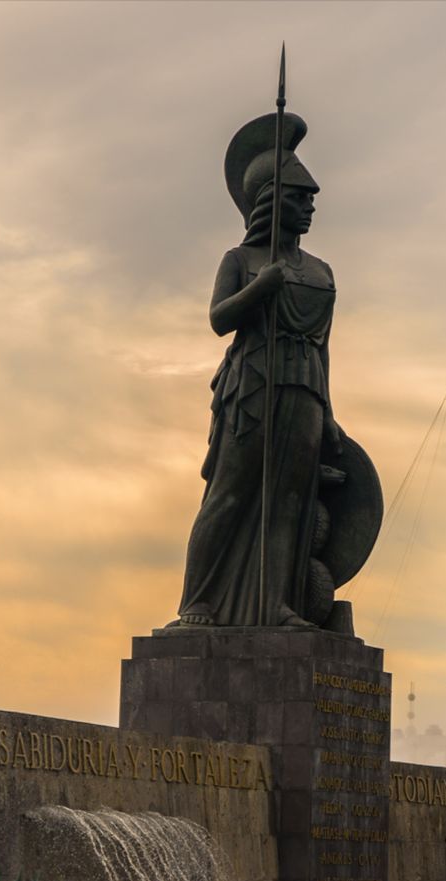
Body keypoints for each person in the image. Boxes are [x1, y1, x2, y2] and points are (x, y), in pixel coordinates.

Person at [177, 112, 342, 627]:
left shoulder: (321, 271)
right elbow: (219, 319)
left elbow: (324, 348)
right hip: (252, 386)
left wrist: (329, 412)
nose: (309, 206)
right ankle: (196, 603)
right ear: (271, 200)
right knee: (230, 492)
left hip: (304, 389)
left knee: (290, 502)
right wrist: (260, 288)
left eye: (312, 198)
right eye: (299, 197)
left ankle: (278, 604)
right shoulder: (241, 260)